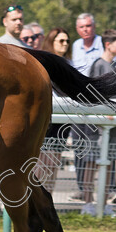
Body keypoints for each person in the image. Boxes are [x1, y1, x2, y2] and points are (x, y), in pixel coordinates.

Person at [79, 29, 116, 216]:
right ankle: (88, 203)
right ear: (108, 45)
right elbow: (91, 93)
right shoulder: (98, 65)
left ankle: (104, 204)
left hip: (113, 125)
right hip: (95, 126)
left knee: (109, 163)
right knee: (91, 163)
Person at [37, 27, 73, 195]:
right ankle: (34, 201)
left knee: (53, 163)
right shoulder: (44, 63)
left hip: (63, 120)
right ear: (51, 42)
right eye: (61, 41)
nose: (65, 44)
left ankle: (47, 200)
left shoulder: (68, 64)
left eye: (67, 41)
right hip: (46, 117)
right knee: (41, 163)